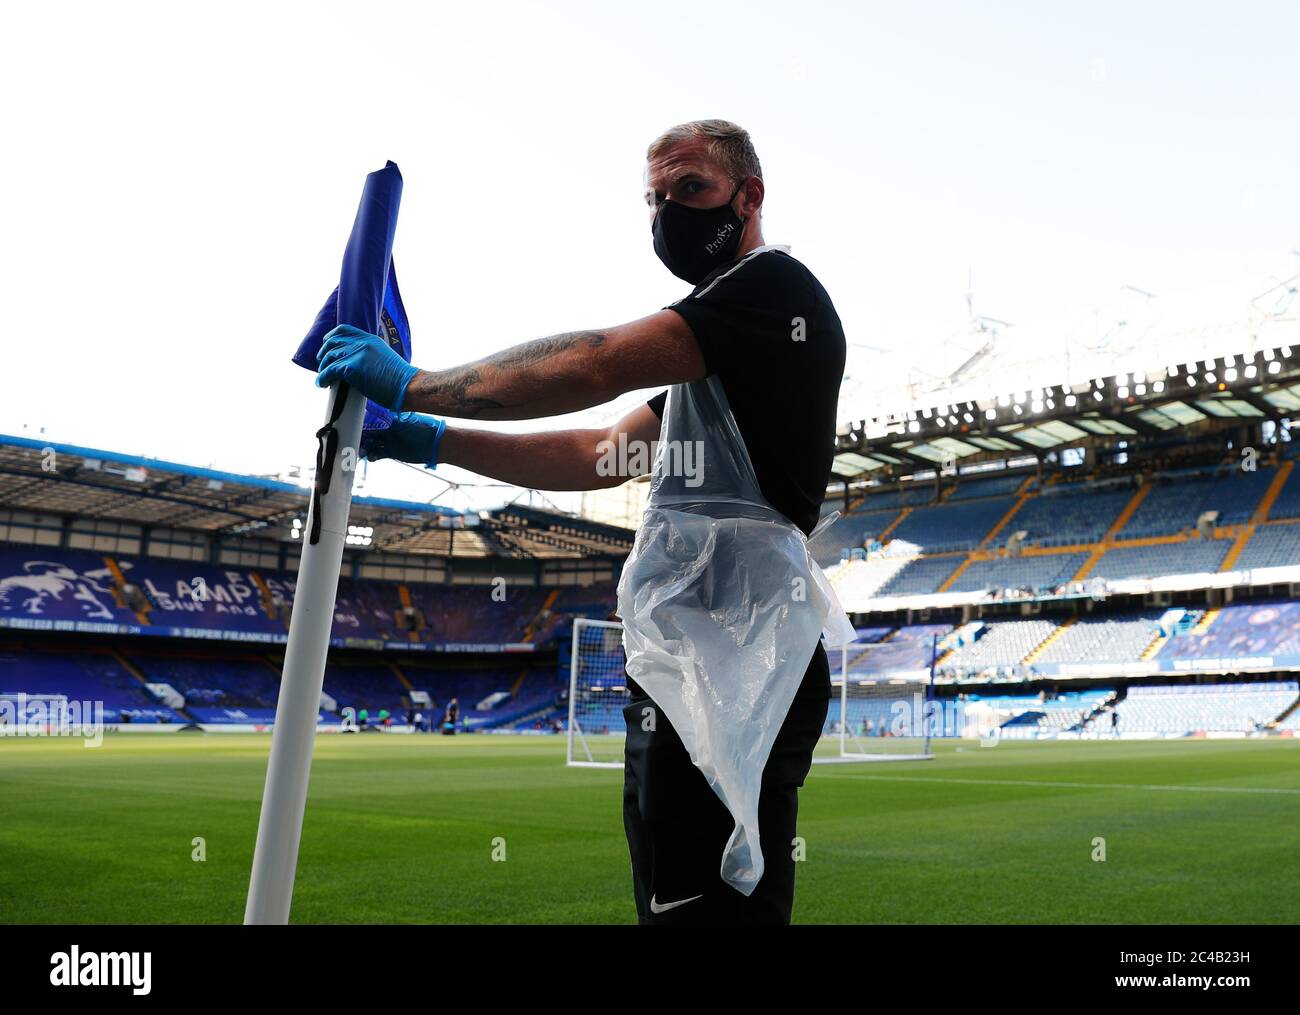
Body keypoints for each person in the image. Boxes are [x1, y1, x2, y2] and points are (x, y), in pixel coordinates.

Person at [327, 120, 845, 925]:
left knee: (709, 903)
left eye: (692, 190)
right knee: (674, 887)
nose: (668, 213)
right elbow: (599, 454)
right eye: (655, 199)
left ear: (750, 196)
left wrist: (417, 385)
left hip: (739, 655)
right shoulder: (716, 378)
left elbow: (598, 361)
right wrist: (438, 440)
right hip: (695, 653)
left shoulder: (770, 292)